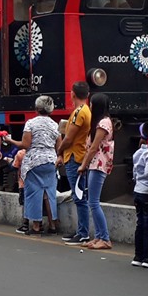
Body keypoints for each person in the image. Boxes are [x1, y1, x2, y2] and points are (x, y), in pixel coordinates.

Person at [4, 95, 60, 236]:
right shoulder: (55, 125)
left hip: (34, 163)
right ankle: (53, 225)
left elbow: (25, 145)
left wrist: (10, 141)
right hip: (51, 162)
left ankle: (36, 226)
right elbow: (59, 147)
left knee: (34, 193)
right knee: (49, 194)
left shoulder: (31, 123)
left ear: (36, 109)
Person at [79, 93, 115, 250]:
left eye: (91, 104)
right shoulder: (103, 121)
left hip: (98, 164)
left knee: (93, 202)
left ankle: (105, 238)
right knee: (92, 201)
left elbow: (94, 147)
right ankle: (99, 236)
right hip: (96, 164)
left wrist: (83, 165)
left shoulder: (103, 123)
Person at [57, 82, 91, 244]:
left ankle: (83, 232)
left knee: (79, 197)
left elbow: (69, 138)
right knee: (80, 196)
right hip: (79, 155)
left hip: (74, 156)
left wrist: (59, 150)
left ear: (73, 94)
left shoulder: (79, 112)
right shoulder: (86, 110)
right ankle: (81, 230)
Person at [131, 122, 148, 267]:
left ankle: (138, 255)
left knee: (140, 223)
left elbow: (135, 173)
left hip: (138, 190)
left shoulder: (137, 153)